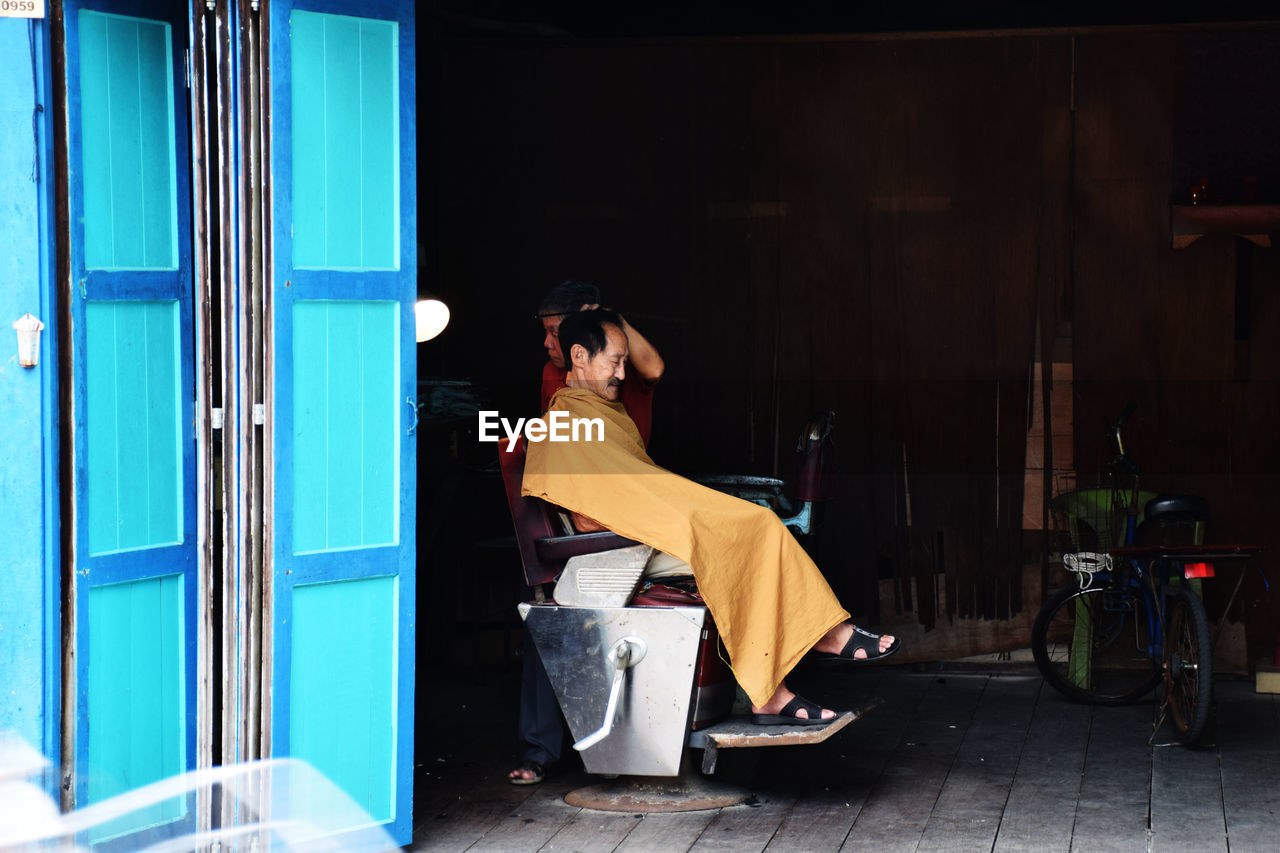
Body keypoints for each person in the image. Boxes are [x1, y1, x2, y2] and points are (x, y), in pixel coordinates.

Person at [523, 309, 899, 725]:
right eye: (614, 361)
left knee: (755, 528)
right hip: (616, 551)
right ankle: (813, 650)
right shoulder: (562, 424)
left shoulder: (603, 413)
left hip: (648, 531)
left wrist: (675, 510)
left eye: (624, 361)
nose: (622, 373)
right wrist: (672, 518)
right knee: (752, 534)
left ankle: (779, 685)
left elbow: (635, 486)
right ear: (579, 356)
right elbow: (589, 516)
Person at [509, 282, 665, 785]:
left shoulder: (620, 369)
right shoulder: (558, 380)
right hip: (587, 519)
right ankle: (542, 750)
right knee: (546, 610)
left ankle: (622, 744)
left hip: (630, 514)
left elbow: (654, 368)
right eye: (550, 335)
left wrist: (612, 321)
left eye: (556, 332)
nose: (548, 344)